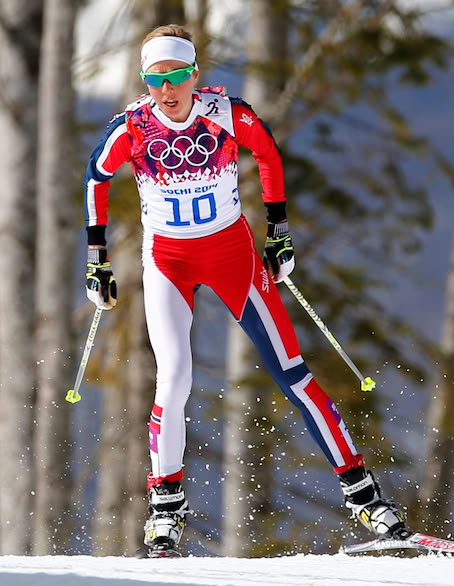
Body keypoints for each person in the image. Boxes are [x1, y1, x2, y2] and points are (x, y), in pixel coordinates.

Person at [82, 25, 403, 556]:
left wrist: (278, 233)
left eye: (178, 76)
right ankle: (165, 513)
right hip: (169, 263)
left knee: (292, 372)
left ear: (195, 75)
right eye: (156, 79)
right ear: (145, 82)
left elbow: (269, 155)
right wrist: (98, 261)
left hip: (233, 256)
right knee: (174, 378)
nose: (169, 89)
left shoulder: (228, 114)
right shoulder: (132, 128)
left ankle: (366, 498)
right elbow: (95, 177)